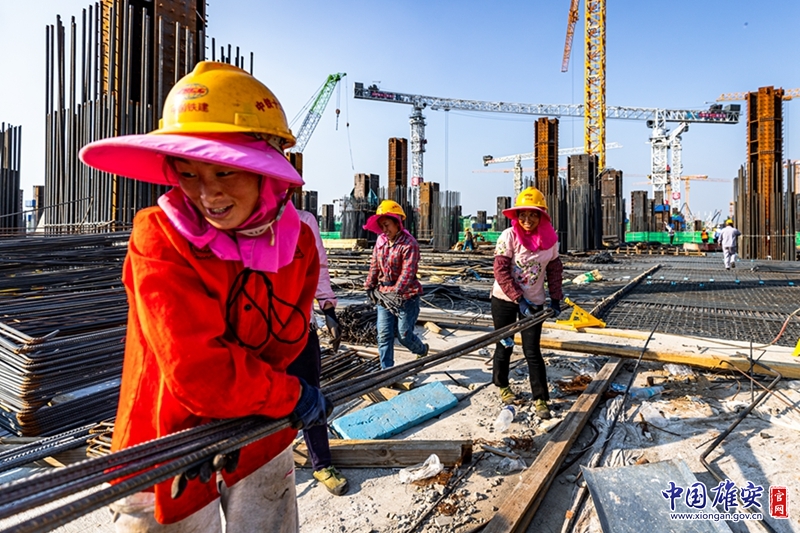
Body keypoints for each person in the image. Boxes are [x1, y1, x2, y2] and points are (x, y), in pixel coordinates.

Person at [79, 61, 331, 532]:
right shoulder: (157, 238)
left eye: (224, 171)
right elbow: (198, 373)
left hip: (259, 431)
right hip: (165, 442)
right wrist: (290, 394)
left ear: (269, 169)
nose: (207, 194)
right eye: (188, 174)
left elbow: (288, 343)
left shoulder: (296, 245)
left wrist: (263, 407)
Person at [287, 203, 348, 496]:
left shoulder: (303, 221)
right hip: (258, 337)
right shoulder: (236, 223)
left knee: (311, 396)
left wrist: (327, 308)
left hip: (300, 327)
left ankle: (322, 463)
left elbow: (319, 267)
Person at [491, 187, 563, 420]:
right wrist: (519, 300)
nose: (527, 219)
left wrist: (555, 299)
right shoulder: (508, 237)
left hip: (534, 301)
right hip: (504, 299)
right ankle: (502, 385)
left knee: (532, 351)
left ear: (542, 215)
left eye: (533, 214)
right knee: (505, 344)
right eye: (523, 214)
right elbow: (501, 271)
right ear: (516, 216)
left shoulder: (550, 241)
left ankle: (540, 399)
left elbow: (554, 271)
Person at [363, 200, 429, 369]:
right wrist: (369, 286)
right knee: (384, 335)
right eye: (382, 227)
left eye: (387, 225)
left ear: (397, 222)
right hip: (384, 296)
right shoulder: (381, 242)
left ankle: (421, 350)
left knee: (404, 335)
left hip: (406, 297)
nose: (384, 230)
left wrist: (396, 291)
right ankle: (387, 371)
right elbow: (374, 265)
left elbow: (407, 273)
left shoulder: (409, 243)